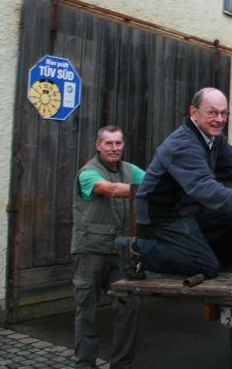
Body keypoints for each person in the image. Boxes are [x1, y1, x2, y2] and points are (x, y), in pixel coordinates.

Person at [120, 88, 232, 280]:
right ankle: (133, 249)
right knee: (207, 266)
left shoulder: (214, 138)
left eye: (224, 113)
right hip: (164, 214)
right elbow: (203, 186)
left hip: (190, 207)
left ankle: (199, 248)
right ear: (194, 112)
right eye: (212, 112)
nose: (219, 119)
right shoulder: (183, 144)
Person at [71, 125, 146, 368]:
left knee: (129, 306)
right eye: (109, 143)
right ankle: (84, 363)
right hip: (91, 251)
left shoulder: (130, 170)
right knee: (87, 310)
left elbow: (153, 180)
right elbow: (111, 190)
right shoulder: (88, 173)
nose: (114, 148)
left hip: (123, 251)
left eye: (118, 143)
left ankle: (121, 364)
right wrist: (147, 190)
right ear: (98, 145)